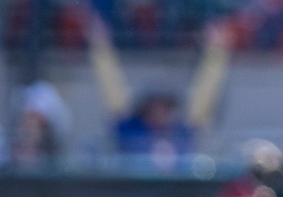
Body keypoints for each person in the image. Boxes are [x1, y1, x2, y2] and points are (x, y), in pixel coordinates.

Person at [85, 12, 231, 165]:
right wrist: (100, 47)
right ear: (146, 109)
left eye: (166, 107)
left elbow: (204, 98)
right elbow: (112, 89)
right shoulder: (129, 130)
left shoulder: (182, 132)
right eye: (156, 107)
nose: (161, 113)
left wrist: (216, 54)